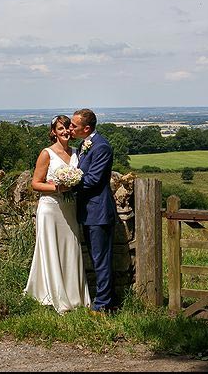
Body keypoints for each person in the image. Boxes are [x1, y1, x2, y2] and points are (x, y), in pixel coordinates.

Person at [24, 115, 91, 314]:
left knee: (71, 247)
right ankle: (50, 293)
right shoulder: (47, 153)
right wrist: (57, 188)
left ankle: (74, 295)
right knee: (51, 248)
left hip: (70, 208)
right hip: (50, 208)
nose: (65, 131)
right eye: (60, 128)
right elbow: (35, 183)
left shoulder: (77, 153)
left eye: (67, 127)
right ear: (53, 132)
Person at [70, 108, 116, 313]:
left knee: (101, 259)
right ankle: (104, 300)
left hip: (99, 212)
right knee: (95, 257)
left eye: (74, 125)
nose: (70, 128)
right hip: (88, 212)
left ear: (86, 128)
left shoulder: (101, 147)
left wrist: (67, 184)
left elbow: (93, 179)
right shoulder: (84, 144)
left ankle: (103, 304)